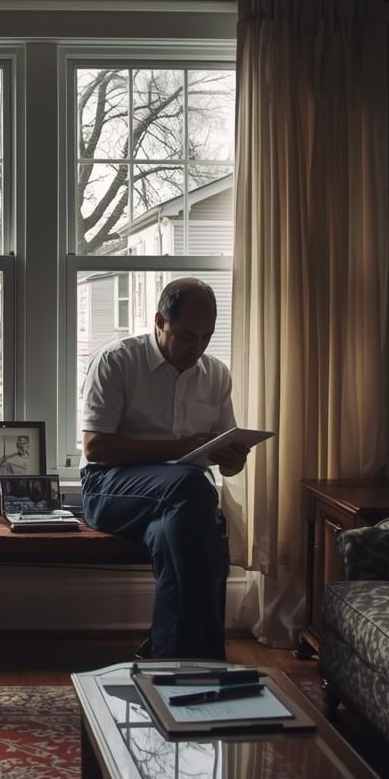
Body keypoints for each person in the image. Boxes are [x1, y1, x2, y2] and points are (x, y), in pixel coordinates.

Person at [80, 277, 249, 660]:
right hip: (108, 488)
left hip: (180, 501)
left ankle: (168, 657)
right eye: (188, 336)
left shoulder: (216, 375)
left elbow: (226, 462)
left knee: (178, 536)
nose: (198, 348)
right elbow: (95, 448)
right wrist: (179, 449)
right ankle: (206, 660)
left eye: (207, 337)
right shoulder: (118, 361)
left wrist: (235, 460)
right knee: (193, 492)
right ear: (159, 321)